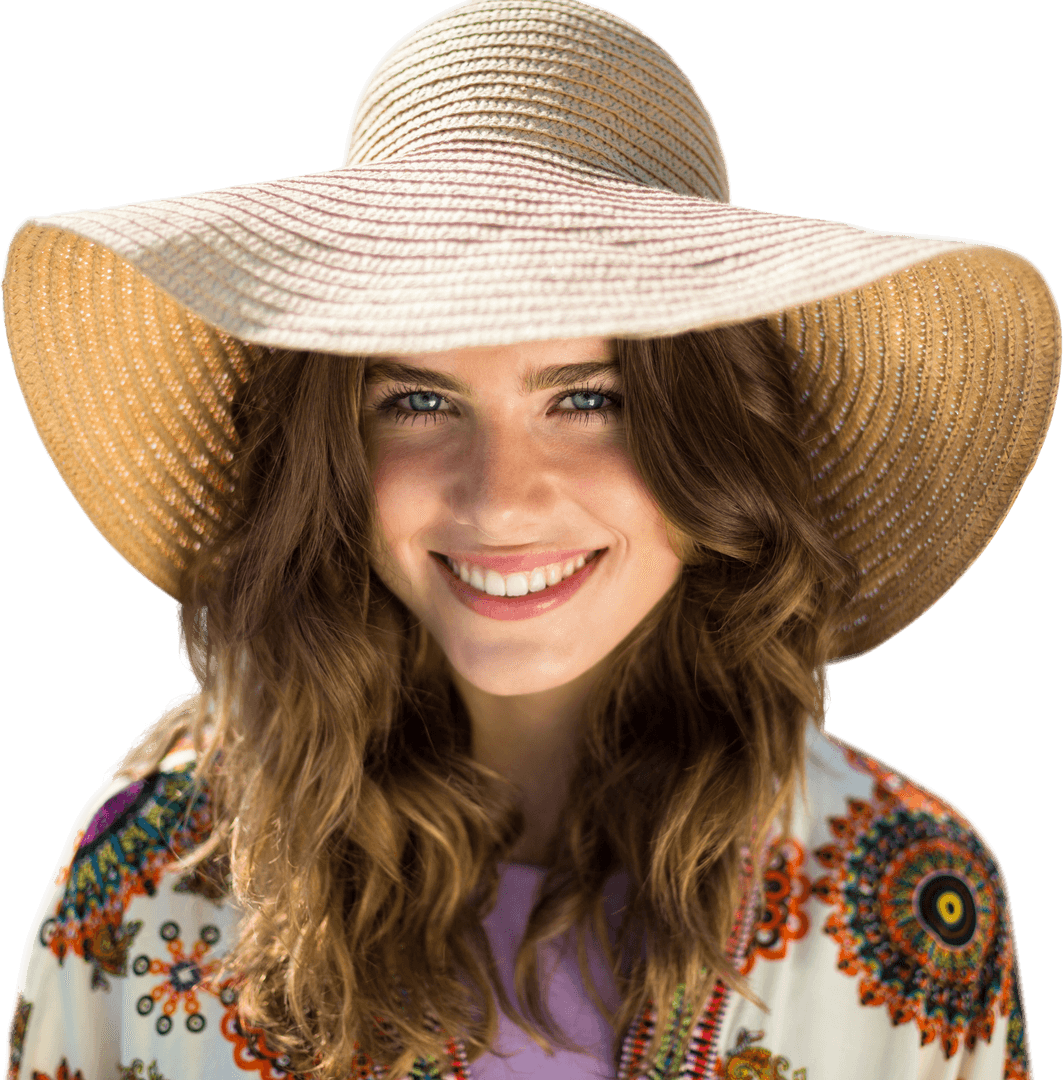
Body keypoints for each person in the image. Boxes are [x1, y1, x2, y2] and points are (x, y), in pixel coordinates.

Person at [3, 1, 1057, 1078]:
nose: (500, 501)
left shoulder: (916, 896)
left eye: (589, 399)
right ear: (334, 452)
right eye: (416, 401)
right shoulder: (154, 871)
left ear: (715, 437)